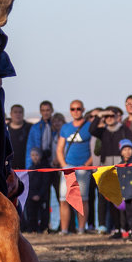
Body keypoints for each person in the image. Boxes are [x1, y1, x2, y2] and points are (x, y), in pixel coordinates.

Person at [89, 106, 132, 237]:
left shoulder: (124, 130)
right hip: (106, 169)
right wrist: (99, 115)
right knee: (108, 199)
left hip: (121, 168)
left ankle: (126, 228)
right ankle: (114, 228)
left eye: (111, 116)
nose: (109, 119)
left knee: (122, 200)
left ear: (117, 117)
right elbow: (91, 129)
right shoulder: (102, 131)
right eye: (106, 117)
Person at [55, 100, 92, 234]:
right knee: (64, 199)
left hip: (83, 168)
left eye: (78, 109)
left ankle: (81, 229)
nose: (75, 111)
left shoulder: (89, 126)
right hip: (68, 167)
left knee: (82, 200)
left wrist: (86, 165)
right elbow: (59, 149)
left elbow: (95, 149)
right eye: (73, 109)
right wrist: (64, 165)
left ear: (83, 110)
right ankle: (64, 230)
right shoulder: (65, 128)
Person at [24, 101, 57, 233]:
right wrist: (29, 168)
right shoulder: (36, 128)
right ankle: (36, 225)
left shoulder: (55, 126)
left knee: (53, 197)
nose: (46, 112)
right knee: (37, 197)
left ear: (51, 110)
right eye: (43, 110)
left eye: (48, 110)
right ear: (40, 111)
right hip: (38, 164)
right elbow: (29, 148)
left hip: (53, 164)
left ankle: (54, 225)